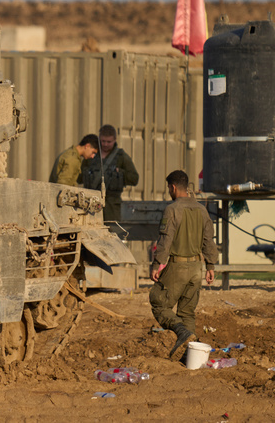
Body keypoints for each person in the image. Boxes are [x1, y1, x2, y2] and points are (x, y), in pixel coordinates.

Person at [149, 169, 219, 358]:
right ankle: (190, 358)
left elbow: (165, 240)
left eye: (168, 188)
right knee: (187, 312)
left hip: (178, 267)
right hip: (197, 267)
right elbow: (209, 241)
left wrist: (157, 265)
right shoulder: (202, 210)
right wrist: (210, 266)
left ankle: (182, 333)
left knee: (159, 303)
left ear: (173, 187)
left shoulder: (172, 210)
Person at [81, 124, 139, 222]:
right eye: (103, 141)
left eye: (109, 142)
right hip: (91, 202)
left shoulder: (121, 156)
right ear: (99, 138)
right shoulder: (92, 155)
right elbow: (80, 176)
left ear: (115, 140)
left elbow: (134, 178)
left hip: (112, 205)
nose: (105, 144)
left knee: (112, 230)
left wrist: (120, 173)